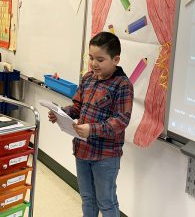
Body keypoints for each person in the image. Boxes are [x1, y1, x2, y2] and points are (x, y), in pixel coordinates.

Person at [48, 31, 134, 217]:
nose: (94, 64)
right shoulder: (88, 78)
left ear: (116, 59)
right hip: (82, 150)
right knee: (87, 198)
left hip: (106, 156)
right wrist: (61, 113)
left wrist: (91, 130)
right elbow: (78, 106)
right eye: (91, 57)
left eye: (100, 60)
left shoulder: (122, 85)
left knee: (106, 202)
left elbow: (121, 120)